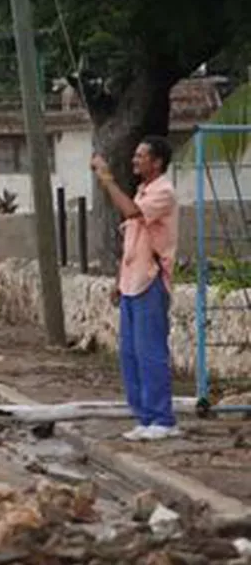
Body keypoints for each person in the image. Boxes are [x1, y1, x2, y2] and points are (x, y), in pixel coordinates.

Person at [92, 137, 179, 442]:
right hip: (132, 283)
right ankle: (144, 415)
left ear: (156, 162)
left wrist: (106, 179)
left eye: (141, 156)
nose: (135, 160)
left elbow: (131, 213)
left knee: (151, 352)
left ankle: (162, 418)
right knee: (130, 354)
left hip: (150, 282)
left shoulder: (163, 192)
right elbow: (133, 242)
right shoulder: (144, 191)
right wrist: (119, 281)